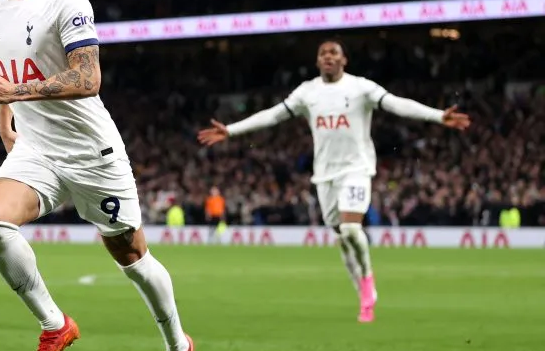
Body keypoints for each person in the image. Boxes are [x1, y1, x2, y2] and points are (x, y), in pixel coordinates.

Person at [0, 0, 199, 351]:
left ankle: (178, 349)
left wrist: (17, 91)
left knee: (132, 257)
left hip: (91, 152)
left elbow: (88, 78)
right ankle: (55, 326)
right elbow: (11, 68)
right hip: (37, 150)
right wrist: (7, 110)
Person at [197, 39, 471, 322]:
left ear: (344, 60)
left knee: (352, 229)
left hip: (356, 169)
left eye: (334, 53)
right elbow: (274, 115)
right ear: (317, 62)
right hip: (325, 175)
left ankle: (368, 283)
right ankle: (362, 295)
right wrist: (231, 130)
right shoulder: (308, 92)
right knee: (342, 239)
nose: (328, 57)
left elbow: (395, 104)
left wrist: (437, 116)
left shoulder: (361, 88)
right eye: (323, 53)